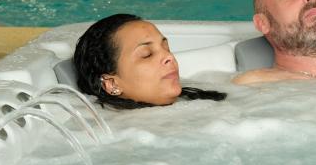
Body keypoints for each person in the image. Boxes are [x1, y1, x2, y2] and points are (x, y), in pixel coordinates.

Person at [74, 13, 227, 109]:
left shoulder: (203, 102)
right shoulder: (122, 135)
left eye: (166, 48)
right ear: (112, 84)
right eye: (147, 54)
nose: (170, 57)